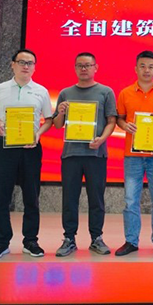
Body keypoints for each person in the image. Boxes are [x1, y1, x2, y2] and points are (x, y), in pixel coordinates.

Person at [0, 48, 54, 259]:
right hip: (5, 148)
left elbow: (49, 119)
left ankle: (30, 241)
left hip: (31, 149)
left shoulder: (41, 91)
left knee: (32, 197)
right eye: (22, 62)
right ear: (13, 64)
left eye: (30, 63)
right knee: (2, 197)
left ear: (34, 67)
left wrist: (38, 133)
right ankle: (1, 243)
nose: (26, 66)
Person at [49, 52, 116, 257]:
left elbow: (111, 121)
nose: (84, 68)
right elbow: (57, 125)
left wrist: (101, 139)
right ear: (75, 68)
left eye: (88, 65)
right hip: (71, 154)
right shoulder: (65, 93)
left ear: (96, 67)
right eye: (80, 65)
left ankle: (97, 238)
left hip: (96, 154)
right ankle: (69, 238)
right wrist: (61, 112)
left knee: (96, 198)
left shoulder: (105, 92)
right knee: (70, 198)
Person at [114, 50, 153, 257]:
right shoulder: (125, 93)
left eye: (150, 67)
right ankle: (131, 241)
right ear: (136, 69)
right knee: (131, 200)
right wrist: (125, 125)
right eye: (142, 66)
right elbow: (119, 118)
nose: (146, 70)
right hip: (132, 156)